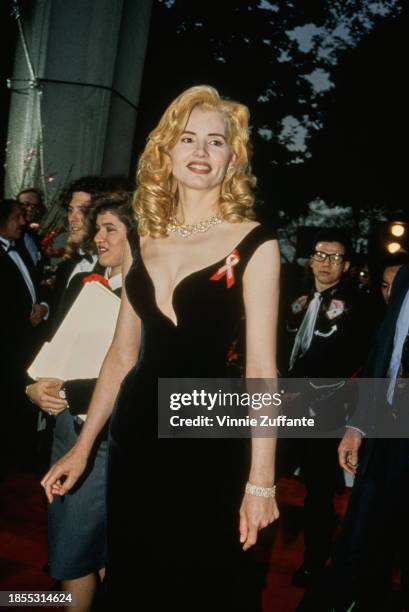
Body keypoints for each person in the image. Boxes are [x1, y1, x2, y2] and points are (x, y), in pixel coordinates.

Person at [41, 85, 280, 611]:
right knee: (134, 574)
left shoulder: (255, 242)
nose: (200, 151)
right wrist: (82, 448)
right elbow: (123, 356)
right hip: (136, 437)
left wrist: (261, 481)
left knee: (199, 579)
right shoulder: (144, 239)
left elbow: (263, 369)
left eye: (216, 142)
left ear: (232, 158)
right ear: (166, 152)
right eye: (188, 138)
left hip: (209, 431)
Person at [27, 193, 136, 612]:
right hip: (66, 431)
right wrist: (33, 388)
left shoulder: (147, 297)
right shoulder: (81, 283)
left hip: (107, 437)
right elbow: (54, 349)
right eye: (98, 228)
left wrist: (68, 391)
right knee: (84, 549)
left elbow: (133, 378)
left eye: (110, 229)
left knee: (78, 554)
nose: (99, 237)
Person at [297, 263, 409, 611]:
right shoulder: (405, 276)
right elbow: (382, 356)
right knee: (360, 544)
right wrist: (357, 426)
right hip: (384, 434)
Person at [280, 228, 375, 588]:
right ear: (310, 259)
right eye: (320, 255)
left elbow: (351, 357)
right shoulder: (296, 298)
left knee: (319, 492)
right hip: (281, 405)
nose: (326, 263)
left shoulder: (358, 307)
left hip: (325, 409)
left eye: (336, 258)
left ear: (346, 265)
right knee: (263, 473)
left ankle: (314, 562)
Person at [0, 199, 49, 471]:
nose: (23, 222)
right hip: (6, 350)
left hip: (25, 350)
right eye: (18, 216)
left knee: (21, 406)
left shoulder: (22, 248)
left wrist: (44, 306)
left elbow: (38, 286)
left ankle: (19, 459)